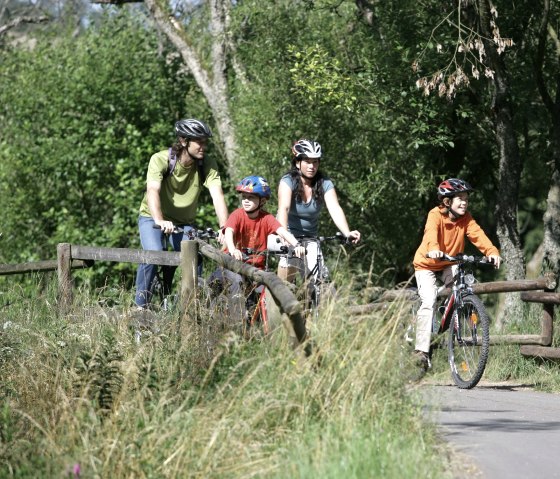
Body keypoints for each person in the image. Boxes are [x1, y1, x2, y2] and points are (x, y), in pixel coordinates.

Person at [134, 118, 229, 309]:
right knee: (154, 254)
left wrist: (225, 229)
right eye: (199, 141)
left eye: (205, 141)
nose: (204, 146)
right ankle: (139, 307)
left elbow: (217, 196)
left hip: (183, 222)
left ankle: (190, 307)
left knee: (195, 255)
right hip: (152, 217)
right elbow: (152, 191)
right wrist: (160, 220)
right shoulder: (160, 159)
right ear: (184, 141)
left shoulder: (207, 164)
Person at [412, 178, 501, 371]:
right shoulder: (435, 215)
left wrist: (492, 252)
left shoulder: (466, 218)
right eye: (459, 199)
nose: (464, 203)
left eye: (466, 199)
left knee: (460, 287)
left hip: (449, 262)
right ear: (447, 201)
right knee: (428, 300)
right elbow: (430, 234)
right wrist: (434, 249)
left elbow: (478, 235)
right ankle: (421, 351)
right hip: (427, 262)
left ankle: (446, 315)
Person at [208, 175, 305, 323]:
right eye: (244, 197)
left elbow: (282, 231)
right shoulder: (237, 215)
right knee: (236, 282)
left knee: (272, 289)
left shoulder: (266, 218)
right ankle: (237, 326)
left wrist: (296, 245)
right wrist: (233, 249)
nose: (246, 200)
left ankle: (268, 328)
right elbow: (229, 231)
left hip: (255, 271)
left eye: (251, 197)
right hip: (232, 266)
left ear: (263, 201)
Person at [276, 138, 361, 284]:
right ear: (298, 162)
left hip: (310, 239)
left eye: (315, 161)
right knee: (285, 285)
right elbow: (283, 208)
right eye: (307, 161)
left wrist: (347, 233)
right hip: (288, 236)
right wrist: (285, 238)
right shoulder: (287, 181)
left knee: (318, 283)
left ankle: (312, 304)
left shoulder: (324, 183)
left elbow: (334, 208)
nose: (312, 166)